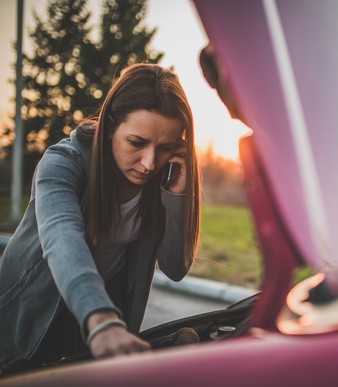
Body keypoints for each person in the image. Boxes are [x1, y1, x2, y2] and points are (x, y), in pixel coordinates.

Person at [0, 63, 200, 363]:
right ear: (109, 125)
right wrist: (101, 319)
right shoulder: (62, 163)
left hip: (91, 336)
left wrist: (176, 193)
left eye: (165, 147)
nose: (149, 163)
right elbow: (62, 239)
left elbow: (174, 267)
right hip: (28, 324)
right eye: (137, 142)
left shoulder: (160, 179)